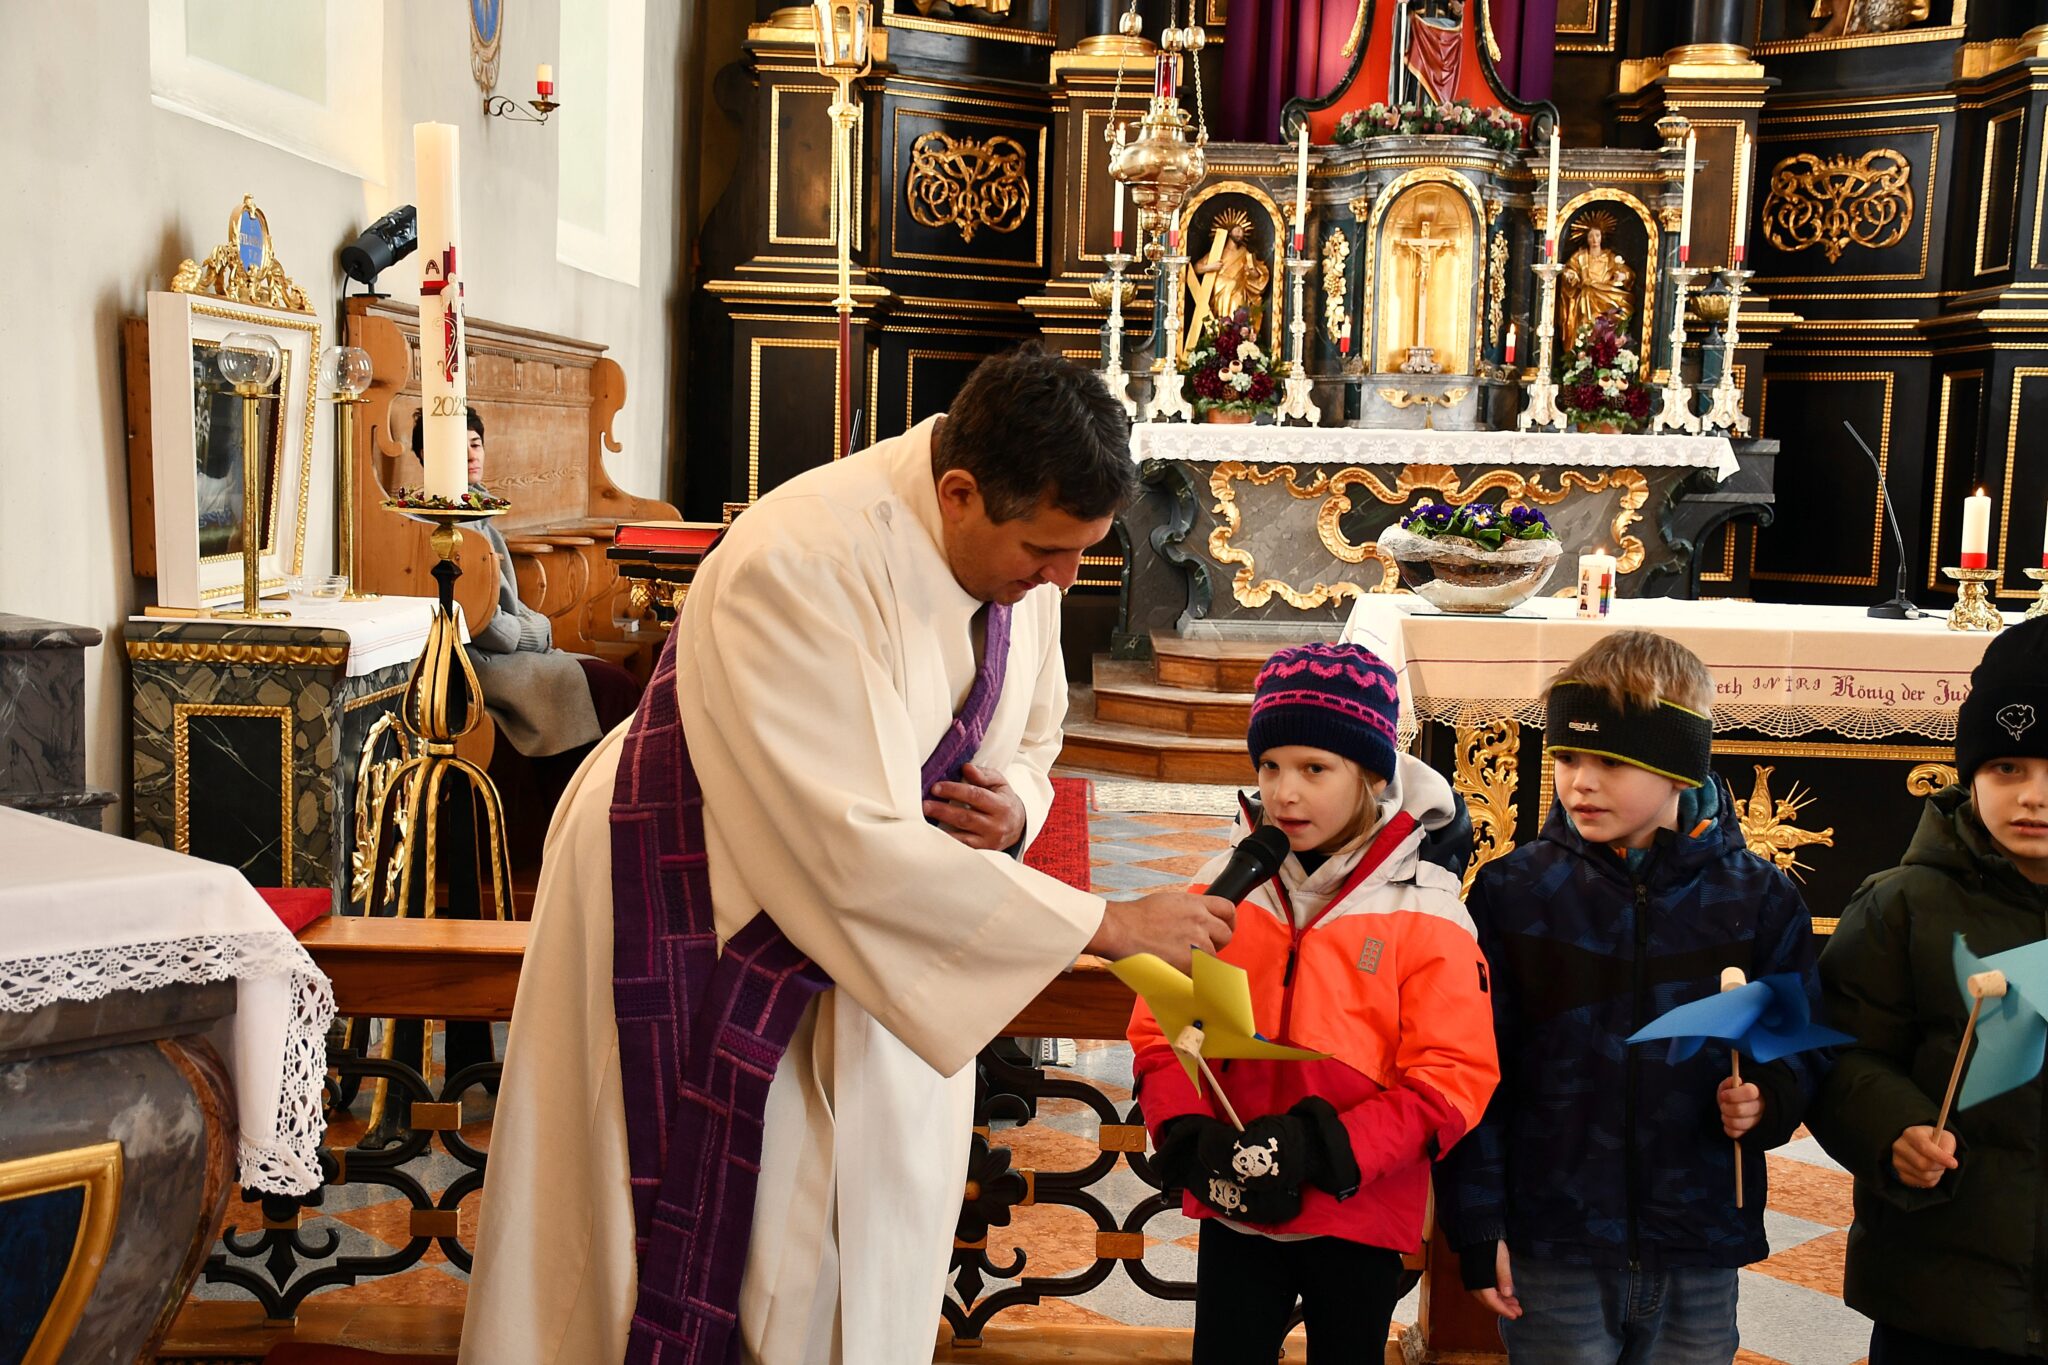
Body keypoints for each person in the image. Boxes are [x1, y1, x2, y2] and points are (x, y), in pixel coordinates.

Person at [459, 346, 1238, 1365]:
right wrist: (1109, 924)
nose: (1063, 580)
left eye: (1081, 553)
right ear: (959, 493)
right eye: (1048, 552)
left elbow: (1036, 732)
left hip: (887, 934)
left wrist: (1017, 807)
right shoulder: (802, 560)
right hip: (706, 904)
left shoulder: (1022, 549)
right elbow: (850, 845)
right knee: (721, 1234)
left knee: (861, 1231)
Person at [1436, 630, 1826, 1365]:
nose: (1581, 782)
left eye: (1610, 762)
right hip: (1555, 1238)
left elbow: (1794, 1045)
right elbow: (1474, 1071)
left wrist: (1769, 1098)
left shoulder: (1757, 899)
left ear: (1680, 767)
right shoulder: (1515, 894)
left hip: (1697, 1236)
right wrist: (1478, 1222)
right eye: (1568, 759)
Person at [1128, 642, 1500, 1364]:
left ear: (1372, 775)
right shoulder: (1221, 888)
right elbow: (1160, 1030)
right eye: (1269, 766)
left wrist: (1325, 1149)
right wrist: (1185, 1129)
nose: (1283, 793)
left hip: (1356, 1203)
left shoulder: (1426, 912)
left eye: (1314, 769)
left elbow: (1454, 1079)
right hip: (1235, 1202)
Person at [1805, 617, 2048, 1365]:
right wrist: (1894, 1130)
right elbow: (1840, 1052)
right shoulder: (1903, 903)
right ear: (1970, 772)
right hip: (1945, 1284)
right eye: (2007, 767)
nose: (2033, 796)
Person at [1558, 217, 1635, 349]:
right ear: (1586, 239)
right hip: (1587, 296)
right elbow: (1569, 270)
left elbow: (1626, 271)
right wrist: (1571, 275)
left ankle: (1608, 343)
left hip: (1607, 293)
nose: (1594, 239)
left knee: (1619, 309)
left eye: (1597, 235)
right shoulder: (1580, 257)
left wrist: (1623, 276)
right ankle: (1585, 346)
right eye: (1591, 236)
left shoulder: (1609, 257)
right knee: (1586, 304)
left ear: (1602, 237)